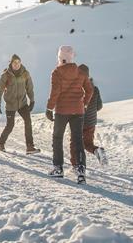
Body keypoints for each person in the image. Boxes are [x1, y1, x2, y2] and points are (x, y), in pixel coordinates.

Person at [46, 46, 93, 183]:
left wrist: (49, 108)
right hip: (78, 111)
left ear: (60, 57)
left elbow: (55, 92)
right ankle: (80, 171)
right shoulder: (80, 72)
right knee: (78, 139)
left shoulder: (56, 72)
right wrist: (83, 103)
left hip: (61, 111)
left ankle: (58, 168)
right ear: (72, 57)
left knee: (57, 138)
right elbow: (89, 90)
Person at [0, 54, 40, 154]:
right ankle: (1, 143)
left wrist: (32, 100)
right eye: (14, 62)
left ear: (21, 63)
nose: (17, 64)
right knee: (10, 126)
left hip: (22, 103)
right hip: (10, 104)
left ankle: (30, 147)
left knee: (28, 122)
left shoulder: (25, 73)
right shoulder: (6, 75)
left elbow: (30, 88)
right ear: (11, 63)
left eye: (18, 62)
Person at [69, 64, 107, 166]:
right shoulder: (95, 88)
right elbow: (99, 106)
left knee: (74, 143)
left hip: (78, 121)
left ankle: (75, 165)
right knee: (87, 144)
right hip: (91, 122)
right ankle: (97, 150)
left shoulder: (76, 87)